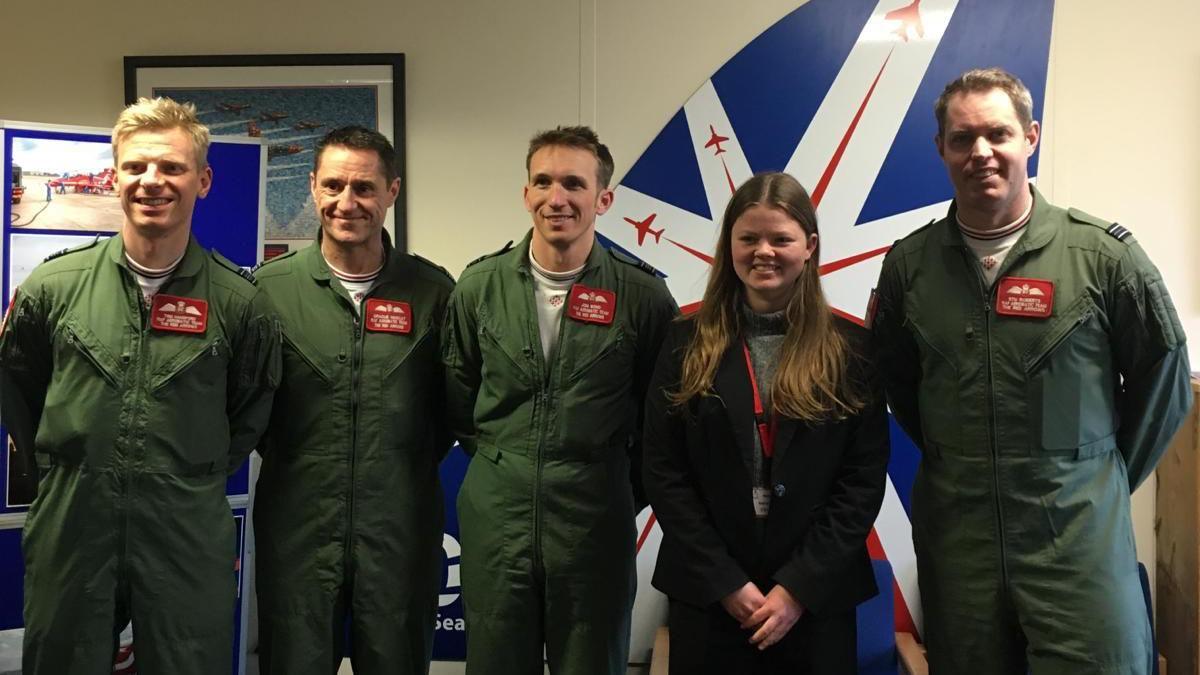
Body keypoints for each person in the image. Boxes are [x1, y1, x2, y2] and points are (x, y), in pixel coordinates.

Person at [870, 67, 1192, 674]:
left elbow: (1165, 378)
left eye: (998, 133)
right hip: (959, 546)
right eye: (962, 139)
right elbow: (901, 386)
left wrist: (1099, 477)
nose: (981, 152)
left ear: (1030, 137)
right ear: (941, 148)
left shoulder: (1102, 257)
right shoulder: (909, 268)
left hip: (1077, 543)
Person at [0, 97, 281, 674]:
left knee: (188, 662)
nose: (153, 182)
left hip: (184, 527)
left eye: (172, 168)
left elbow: (248, 412)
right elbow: (19, 391)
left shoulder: (240, 303)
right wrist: (72, 465)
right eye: (136, 167)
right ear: (116, 176)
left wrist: (175, 470)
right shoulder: (54, 287)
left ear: (202, 181)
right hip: (72, 523)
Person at [442, 125, 678, 674]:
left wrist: (613, 484)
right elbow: (457, 397)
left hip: (595, 512)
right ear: (526, 194)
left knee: (592, 660)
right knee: (497, 659)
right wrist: (511, 464)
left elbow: (660, 418)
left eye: (574, 183)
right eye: (543, 182)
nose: (557, 198)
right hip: (498, 510)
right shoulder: (478, 287)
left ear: (603, 198)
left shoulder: (642, 296)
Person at [643, 172, 888, 674]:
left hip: (816, 602)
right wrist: (726, 583)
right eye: (748, 238)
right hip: (709, 595)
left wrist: (798, 588)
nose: (764, 251)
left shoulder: (852, 350)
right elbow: (664, 471)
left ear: (810, 246)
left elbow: (860, 482)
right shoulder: (684, 343)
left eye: (781, 238)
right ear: (729, 244)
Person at [252, 125, 455, 674]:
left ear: (392, 191)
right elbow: (245, 408)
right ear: (313, 188)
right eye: (334, 186)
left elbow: (451, 411)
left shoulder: (435, 292)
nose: (348, 203)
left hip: (400, 531)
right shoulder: (266, 292)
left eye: (364, 188)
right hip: (296, 531)